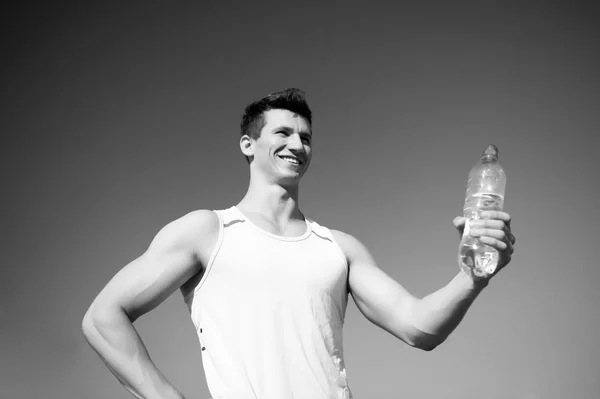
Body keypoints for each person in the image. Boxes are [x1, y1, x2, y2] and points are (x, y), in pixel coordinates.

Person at [82, 88, 516, 399]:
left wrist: (472, 278)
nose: (298, 144)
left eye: (306, 137)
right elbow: (103, 318)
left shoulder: (339, 248)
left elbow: (419, 327)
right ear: (248, 145)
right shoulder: (208, 231)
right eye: (283, 133)